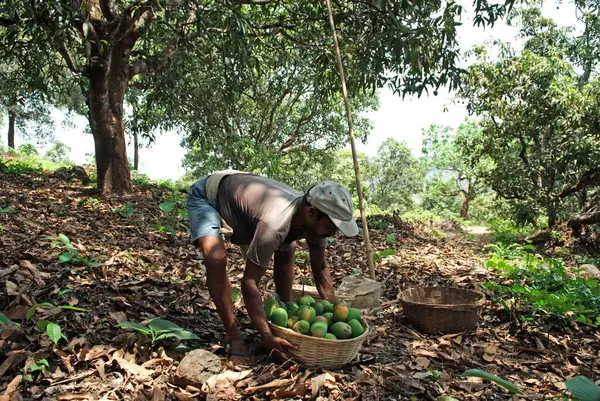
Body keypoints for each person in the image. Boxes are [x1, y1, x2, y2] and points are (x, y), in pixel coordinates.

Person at [186, 170, 359, 362]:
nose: (333, 234)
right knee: (216, 258)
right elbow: (249, 282)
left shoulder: (313, 218)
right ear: (311, 213)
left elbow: (320, 269)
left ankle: (284, 315)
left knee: (287, 248)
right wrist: (266, 337)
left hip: (248, 205)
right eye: (332, 227)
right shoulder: (276, 223)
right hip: (210, 196)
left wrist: (335, 315)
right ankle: (233, 335)